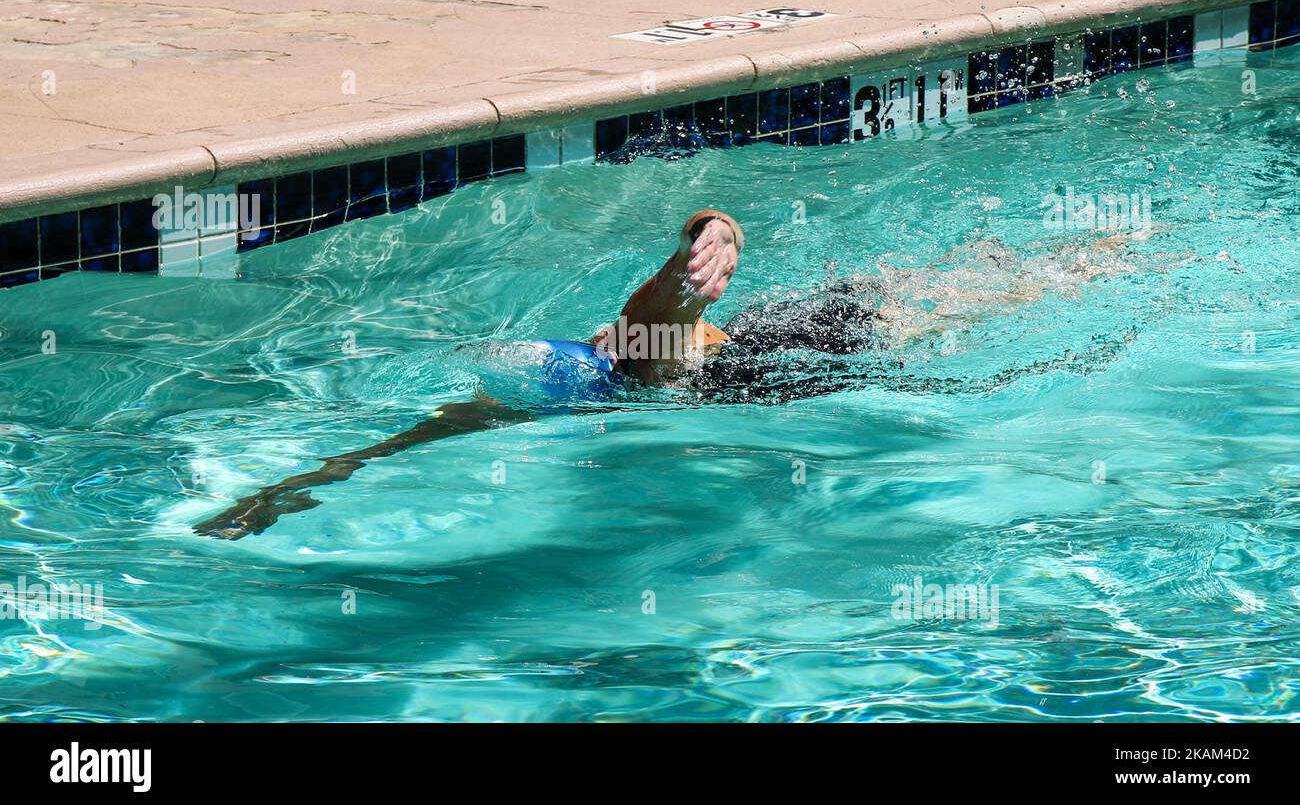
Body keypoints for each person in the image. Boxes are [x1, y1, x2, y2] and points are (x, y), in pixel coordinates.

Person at [194, 210, 1150, 539]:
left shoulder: (652, 346)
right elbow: (414, 437)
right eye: (606, 342)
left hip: (792, 342)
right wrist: (297, 485)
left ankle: (1106, 257)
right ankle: (1099, 258)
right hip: (783, 354)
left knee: (965, 309)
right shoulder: (568, 391)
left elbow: (687, 263)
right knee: (961, 305)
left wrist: (718, 237)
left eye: (615, 338)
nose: (613, 342)